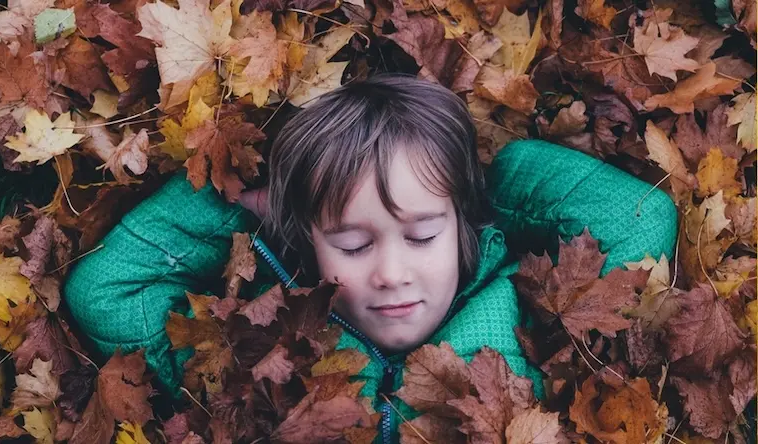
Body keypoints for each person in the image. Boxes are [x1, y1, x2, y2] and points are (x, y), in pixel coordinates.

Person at [63, 74, 678, 443]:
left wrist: (495, 180)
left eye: (421, 235)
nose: (390, 272)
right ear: (307, 242)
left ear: (462, 223)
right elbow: (107, 289)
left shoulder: (529, 312)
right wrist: (246, 201)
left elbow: (641, 219)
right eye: (353, 245)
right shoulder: (253, 348)